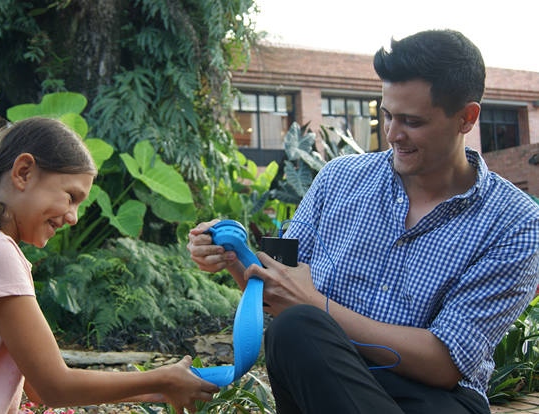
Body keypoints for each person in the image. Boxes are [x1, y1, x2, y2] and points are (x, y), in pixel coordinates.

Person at [187, 29, 539, 413]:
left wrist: (317, 305)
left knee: (303, 321)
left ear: (466, 118)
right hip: (326, 374)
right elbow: (281, 297)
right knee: (294, 330)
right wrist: (234, 259)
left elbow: (445, 365)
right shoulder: (339, 179)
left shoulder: (515, 222)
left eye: (412, 121)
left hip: (436, 399)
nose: (391, 134)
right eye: (386, 115)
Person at [0, 117, 219, 414]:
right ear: (23, 172)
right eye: (71, 196)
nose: (73, 216)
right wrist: (162, 377)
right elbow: (54, 387)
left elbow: (35, 385)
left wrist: (164, 389)